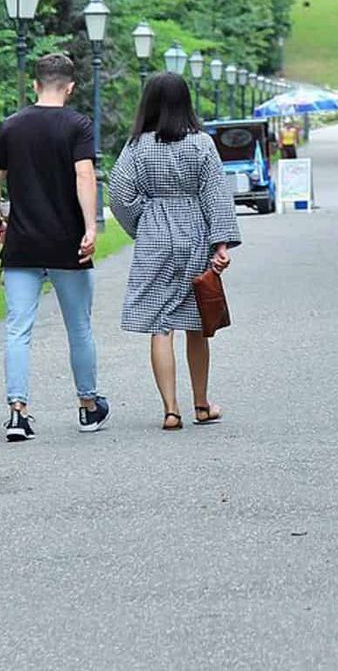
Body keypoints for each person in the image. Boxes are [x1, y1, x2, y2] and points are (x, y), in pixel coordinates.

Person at [0, 53, 109, 442]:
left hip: (22, 243)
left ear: (36, 84)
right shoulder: (77, 125)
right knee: (79, 327)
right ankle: (88, 407)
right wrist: (89, 227)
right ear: (70, 87)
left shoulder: (12, 126)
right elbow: (84, 175)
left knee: (18, 329)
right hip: (66, 244)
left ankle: (18, 413)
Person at [110, 73, 240, 431]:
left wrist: (143, 221)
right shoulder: (201, 143)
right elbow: (216, 194)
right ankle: (201, 404)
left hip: (155, 231)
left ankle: (170, 410)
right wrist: (221, 244)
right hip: (194, 228)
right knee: (196, 324)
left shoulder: (137, 146)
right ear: (185, 102)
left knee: (160, 324)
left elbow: (119, 192)